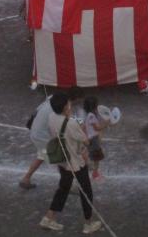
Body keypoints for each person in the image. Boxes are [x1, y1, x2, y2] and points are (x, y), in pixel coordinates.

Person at [40, 92, 102, 234]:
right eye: (68, 104)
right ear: (64, 107)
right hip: (76, 163)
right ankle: (88, 224)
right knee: (86, 191)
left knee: (63, 189)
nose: (70, 105)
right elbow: (86, 141)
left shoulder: (51, 117)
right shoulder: (71, 123)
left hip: (62, 161)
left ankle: (48, 218)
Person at [84, 96, 107, 181]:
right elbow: (97, 128)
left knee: (92, 155)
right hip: (93, 139)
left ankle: (91, 169)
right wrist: (106, 124)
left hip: (91, 138)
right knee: (97, 157)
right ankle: (95, 174)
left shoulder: (90, 115)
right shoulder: (91, 116)